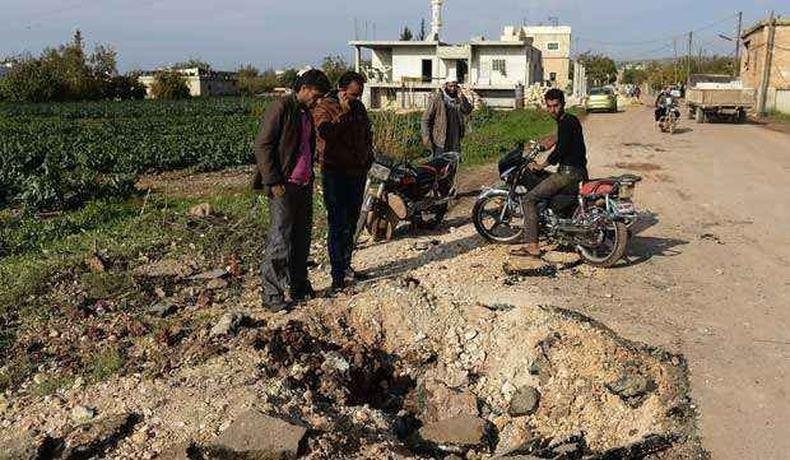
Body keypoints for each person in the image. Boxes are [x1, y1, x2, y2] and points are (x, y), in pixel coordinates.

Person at [252, 69, 331, 311]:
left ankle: (299, 285)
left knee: (301, 238)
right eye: (316, 95)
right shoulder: (281, 107)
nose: (317, 101)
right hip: (284, 187)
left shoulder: (305, 112)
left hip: (304, 185)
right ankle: (272, 294)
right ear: (304, 88)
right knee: (280, 240)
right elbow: (262, 145)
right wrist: (273, 181)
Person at [313, 71, 373, 292]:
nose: (357, 99)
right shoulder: (324, 108)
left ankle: (346, 266)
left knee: (351, 222)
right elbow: (326, 134)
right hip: (335, 174)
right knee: (337, 224)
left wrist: (368, 156)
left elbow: (366, 134)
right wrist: (344, 114)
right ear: (341, 90)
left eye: (360, 95)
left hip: (357, 173)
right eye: (354, 95)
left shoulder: (359, 108)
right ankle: (337, 276)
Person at [511, 88, 588, 258]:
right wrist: (541, 146)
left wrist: (541, 164)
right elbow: (558, 138)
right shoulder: (569, 121)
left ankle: (532, 246)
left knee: (528, 199)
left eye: (556, 105)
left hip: (568, 173)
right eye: (549, 106)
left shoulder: (566, 122)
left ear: (563, 104)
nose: (553, 109)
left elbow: (560, 150)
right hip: (579, 171)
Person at [421, 80, 473, 156]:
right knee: (440, 166)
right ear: (445, 86)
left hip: (455, 142)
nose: (453, 89)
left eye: (455, 86)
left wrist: (462, 96)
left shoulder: (458, 99)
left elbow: (467, 110)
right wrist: (426, 138)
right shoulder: (437, 99)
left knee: (453, 166)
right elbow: (425, 119)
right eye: (450, 86)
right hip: (441, 142)